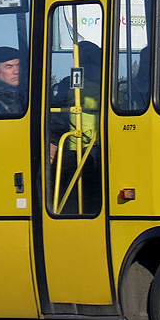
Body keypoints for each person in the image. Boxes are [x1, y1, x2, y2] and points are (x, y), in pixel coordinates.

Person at [49, 41, 103, 213]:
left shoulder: (68, 85)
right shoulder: (110, 87)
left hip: (77, 149)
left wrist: (53, 139)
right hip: (91, 149)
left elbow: (57, 117)